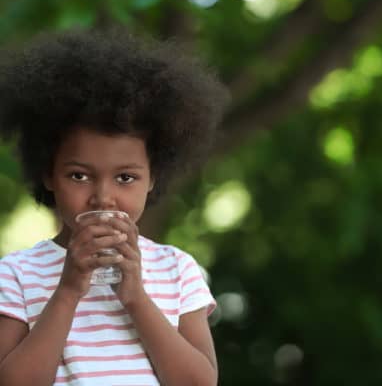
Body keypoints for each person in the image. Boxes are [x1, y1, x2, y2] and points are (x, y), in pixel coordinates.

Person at [0, 28, 229, 386]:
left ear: (153, 177)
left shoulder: (177, 271)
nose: (103, 197)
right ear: (47, 173)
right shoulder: (16, 274)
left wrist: (136, 297)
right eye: (79, 176)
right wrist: (68, 290)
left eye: (125, 178)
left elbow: (199, 382)